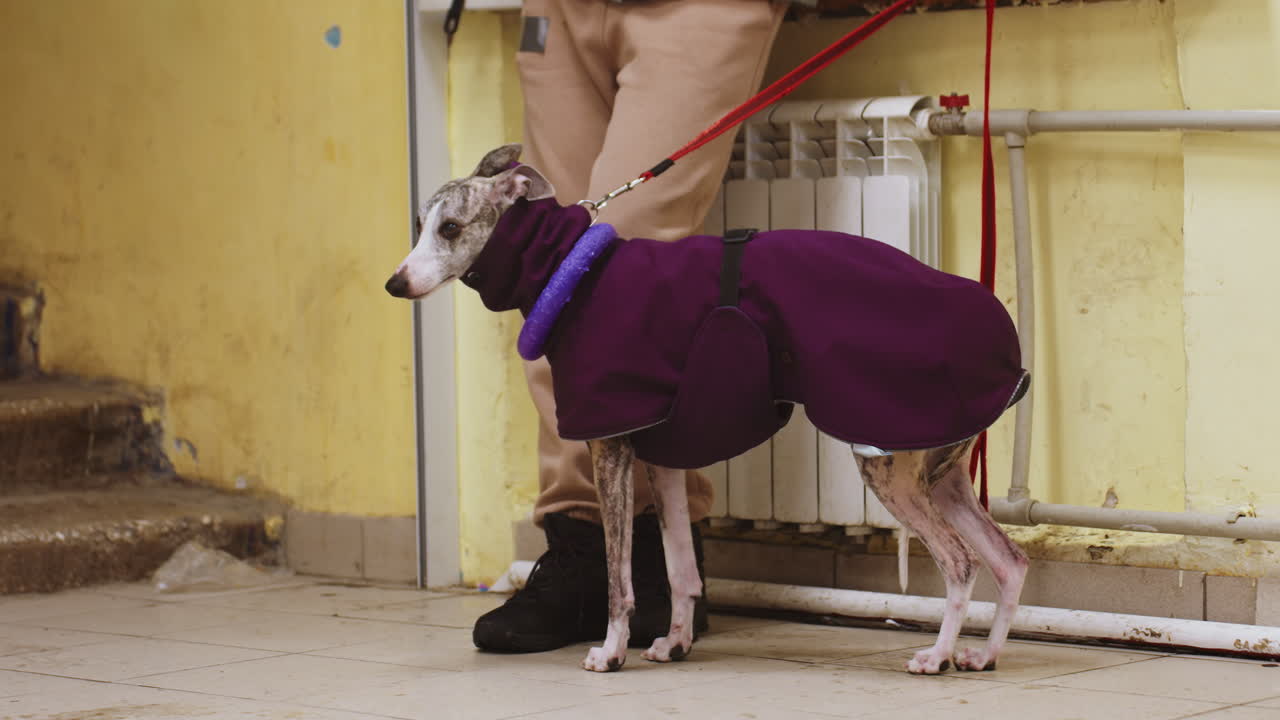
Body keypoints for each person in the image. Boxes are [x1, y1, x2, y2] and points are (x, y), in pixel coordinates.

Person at [472, 0, 789, 653]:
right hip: (556, 13)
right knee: (551, 282)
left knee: (612, 277)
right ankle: (584, 546)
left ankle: (658, 563)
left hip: (698, 10)